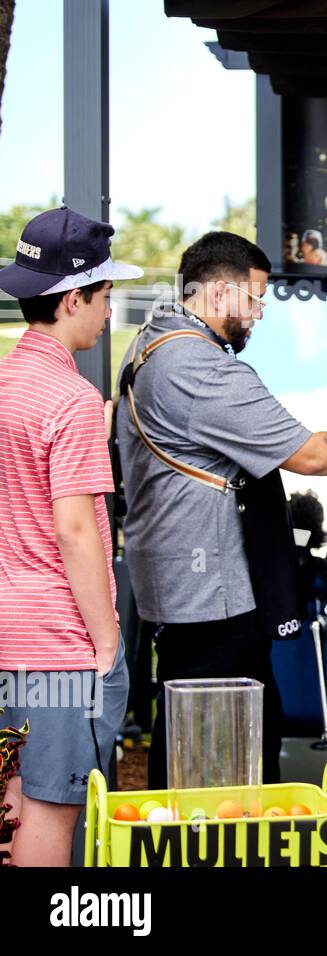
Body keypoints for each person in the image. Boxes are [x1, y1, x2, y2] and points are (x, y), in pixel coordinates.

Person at [114, 231, 327, 787]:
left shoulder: (148, 344)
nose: (259, 314)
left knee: (197, 743)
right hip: (210, 600)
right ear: (217, 295)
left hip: (180, 593)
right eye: (255, 299)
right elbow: (313, 455)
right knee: (223, 766)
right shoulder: (198, 368)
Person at [0, 206, 141, 865]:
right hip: (57, 649)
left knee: (4, 814)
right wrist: (108, 641)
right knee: (47, 820)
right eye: (105, 296)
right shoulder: (74, 397)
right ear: (72, 299)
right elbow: (77, 529)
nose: (109, 311)